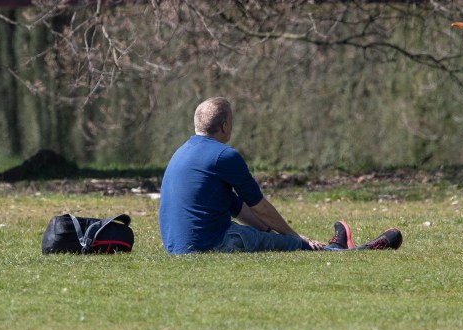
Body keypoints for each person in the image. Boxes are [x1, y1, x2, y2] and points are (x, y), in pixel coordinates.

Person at [158, 96, 402, 254]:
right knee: (292, 246)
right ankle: (359, 250)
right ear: (225, 126)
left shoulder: (181, 152)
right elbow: (259, 206)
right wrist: (294, 236)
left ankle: (334, 244)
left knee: (279, 240)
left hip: (176, 248)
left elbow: (236, 205)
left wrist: (266, 232)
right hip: (213, 245)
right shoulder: (224, 156)